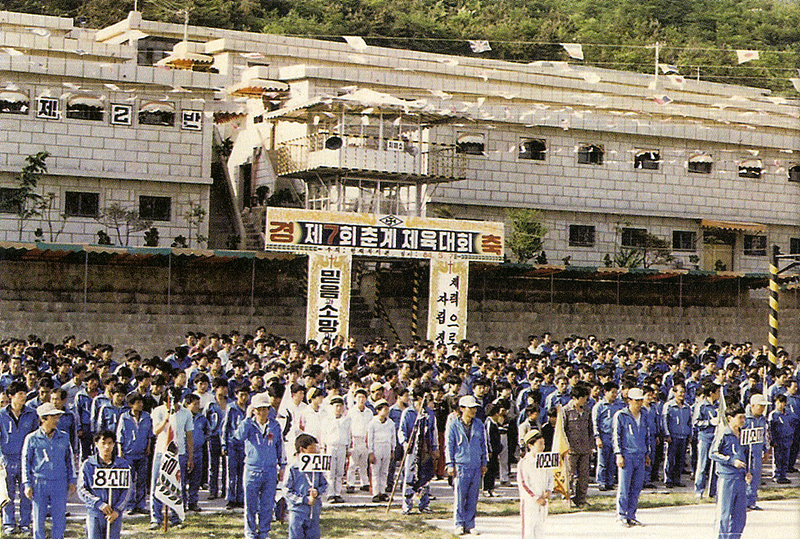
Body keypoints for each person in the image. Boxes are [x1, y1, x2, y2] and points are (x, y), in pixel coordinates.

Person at [22, 402, 77, 539]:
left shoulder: (64, 436)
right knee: (38, 516)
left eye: (57, 416)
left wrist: (72, 480)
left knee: (59, 517)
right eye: (53, 417)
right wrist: (27, 484)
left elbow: (69, 460)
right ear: (43, 418)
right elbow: (25, 462)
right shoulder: (32, 438)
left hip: (59, 481)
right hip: (39, 481)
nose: (56, 420)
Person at [235, 390, 285, 539]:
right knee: (250, 504)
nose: (262, 413)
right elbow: (238, 437)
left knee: (267, 504)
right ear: (254, 410)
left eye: (265, 409)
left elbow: (279, 446)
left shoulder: (275, 426)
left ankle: (264, 532)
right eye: (259, 409)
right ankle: (250, 532)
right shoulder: (248, 425)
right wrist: (247, 418)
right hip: (252, 469)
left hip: (269, 470)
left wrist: (282, 466)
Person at [149, 386, 194, 530]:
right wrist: (166, 420)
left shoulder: (186, 413)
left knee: (176, 485)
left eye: (174, 402)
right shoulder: (158, 411)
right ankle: (155, 518)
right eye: (168, 402)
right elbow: (155, 431)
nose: (171, 405)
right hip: (161, 453)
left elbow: (189, 436)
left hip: (179, 453)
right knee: (157, 483)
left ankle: (175, 517)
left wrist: (190, 456)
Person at [445, 395, 487, 536]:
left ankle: (470, 523)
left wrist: (484, 462)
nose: (473, 411)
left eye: (475, 408)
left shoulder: (479, 424)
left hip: (475, 464)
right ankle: (459, 523)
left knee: (473, 496)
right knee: (460, 496)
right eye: (470, 408)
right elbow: (449, 445)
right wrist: (450, 463)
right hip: (461, 464)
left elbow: (483, 444)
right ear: (462, 409)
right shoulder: (453, 425)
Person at [0, 381, 38, 535]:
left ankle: (25, 523)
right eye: (20, 394)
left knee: (26, 493)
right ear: (11, 396)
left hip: (25, 459)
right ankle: (8, 523)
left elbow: (36, 437)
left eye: (25, 394)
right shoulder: (1, 414)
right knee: (7, 494)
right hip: (7, 459)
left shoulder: (32, 413)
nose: (23, 397)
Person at [78, 430, 131, 539]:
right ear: (96, 444)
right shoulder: (88, 464)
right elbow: (82, 489)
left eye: (110, 443)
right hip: (95, 513)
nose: (107, 447)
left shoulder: (122, 465)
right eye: (103, 443)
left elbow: (127, 490)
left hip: (114, 514)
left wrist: (117, 510)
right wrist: (98, 503)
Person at [709, 404, 751, 539]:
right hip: (726, 478)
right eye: (739, 418)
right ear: (729, 418)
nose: (742, 420)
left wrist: (748, 471)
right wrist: (731, 461)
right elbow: (713, 453)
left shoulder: (743, 434)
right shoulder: (723, 433)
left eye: (744, 417)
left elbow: (747, 453)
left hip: (740, 478)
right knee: (723, 515)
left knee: (740, 516)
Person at [613, 387, 651, 528]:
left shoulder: (645, 414)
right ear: (629, 400)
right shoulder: (621, 415)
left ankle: (631, 515)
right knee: (624, 487)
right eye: (636, 401)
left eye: (641, 400)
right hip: (627, 455)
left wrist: (647, 453)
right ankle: (621, 515)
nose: (639, 404)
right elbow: (616, 436)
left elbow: (647, 434)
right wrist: (618, 454)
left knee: (636, 487)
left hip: (640, 455)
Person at [399, 386, 438, 515]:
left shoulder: (429, 413)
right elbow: (402, 430)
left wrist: (434, 447)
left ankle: (424, 504)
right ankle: (407, 505)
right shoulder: (408, 413)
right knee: (409, 476)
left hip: (425, 448)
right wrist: (405, 443)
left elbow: (433, 431)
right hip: (412, 448)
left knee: (425, 476)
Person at [284, 433, 328, 539]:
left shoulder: (317, 467)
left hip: (313, 510)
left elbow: (325, 484)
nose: (315, 451)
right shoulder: (293, 467)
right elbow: (286, 491)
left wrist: (318, 491)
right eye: (311, 448)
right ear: (302, 450)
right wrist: (303, 500)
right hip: (297, 510)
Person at [116, 393, 152, 515]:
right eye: (138, 403)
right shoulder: (124, 417)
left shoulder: (146, 417)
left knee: (142, 480)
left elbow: (149, 434)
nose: (141, 405)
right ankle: (130, 505)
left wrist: (148, 447)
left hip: (142, 453)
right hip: (128, 453)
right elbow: (119, 435)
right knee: (129, 480)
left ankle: (141, 505)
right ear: (131, 404)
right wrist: (120, 451)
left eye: (141, 402)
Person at [517, 430, 553, 539]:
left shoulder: (545, 461)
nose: (542, 447)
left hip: (543, 501)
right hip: (530, 503)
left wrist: (548, 490)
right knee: (528, 530)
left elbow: (550, 477)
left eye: (544, 444)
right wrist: (536, 498)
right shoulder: (524, 463)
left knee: (540, 529)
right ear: (530, 445)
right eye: (540, 444)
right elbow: (524, 484)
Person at [562, 383, 592, 506]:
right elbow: (562, 431)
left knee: (584, 476)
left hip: (584, 448)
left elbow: (590, 428)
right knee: (569, 475)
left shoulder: (587, 410)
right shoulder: (566, 411)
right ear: (575, 398)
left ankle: (581, 499)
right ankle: (567, 498)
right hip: (571, 449)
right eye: (583, 397)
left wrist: (591, 445)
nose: (586, 400)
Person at [223, 384, 250, 509]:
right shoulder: (231, 408)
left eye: (246, 395)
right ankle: (231, 498)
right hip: (233, 443)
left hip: (245, 444)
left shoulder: (249, 409)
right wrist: (224, 444)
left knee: (242, 472)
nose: (243, 398)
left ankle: (240, 497)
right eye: (241, 395)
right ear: (236, 395)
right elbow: (225, 427)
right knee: (232, 472)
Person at [662, 382, 692, 488]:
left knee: (680, 460)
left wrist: (690, 435)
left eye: (684, 392)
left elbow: (689, 422)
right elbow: (665, 421)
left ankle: (677, 479)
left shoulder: (687, 407)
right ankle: (668, 479)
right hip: (672, 437)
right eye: (680, 392)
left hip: (683, 436)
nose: (682, 394)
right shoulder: (669, 406)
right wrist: (667, 434)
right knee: (670, 459)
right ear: (674, 393)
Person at [592, 382, 621, 491]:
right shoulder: (599, 406)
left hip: (614, 436)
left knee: (612, 460)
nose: (614, 395)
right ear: (605, 392)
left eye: (616, 393)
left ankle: (610, 481)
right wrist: (597, 437)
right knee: (602, 460)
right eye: (612, 392)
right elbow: (595, 423)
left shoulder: (618, 406)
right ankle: (601, 481)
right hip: (604, 435)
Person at [366, 399, 395, 502]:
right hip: (377, 447)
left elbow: (393, 437)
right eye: (385, 409)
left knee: (384, 471)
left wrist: (392, 449)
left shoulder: (390, 423)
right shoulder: (372, 423)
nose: (387, 411)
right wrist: (371, 452)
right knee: (375, 471)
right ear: (378, 410)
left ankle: (382, 491)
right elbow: (370, 439)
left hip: (386, 447)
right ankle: (375, 492)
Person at [322, 395, 349, 504]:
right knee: (330, 472)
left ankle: (337, 493)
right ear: (332, 407)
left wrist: (347, 448)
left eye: (340, 406)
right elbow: (323, 434)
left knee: (339, 472)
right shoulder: (327, 419)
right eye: (336, 406)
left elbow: (348, 433)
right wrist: (323, 447)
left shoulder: (346, 420)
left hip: (342, 446)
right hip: (331, 446)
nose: (338, 408)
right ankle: (330, 494)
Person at [744, 394, 767, 510]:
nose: (762, 408)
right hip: (745, 452)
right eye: (760, 406)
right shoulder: (744, 418)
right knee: (745, 476)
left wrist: (765, 449)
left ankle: (752, 500)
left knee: (756, 476)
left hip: (757, 451)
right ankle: (743, 501)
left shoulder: (762, 418)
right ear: (753, 406)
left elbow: (764, 434)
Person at [768, 394, 792, 484]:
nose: (780, 405)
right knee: (777, 459)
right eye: (778, 403)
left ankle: (783, 475)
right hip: (778, 440)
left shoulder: (788, 414)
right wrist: (772, 440)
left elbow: (791, 426)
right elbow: (770, 429)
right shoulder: (773, 415)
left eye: (782, 403)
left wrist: (791, 437)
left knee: (785, 459)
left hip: (787, 440)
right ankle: (776, 476)